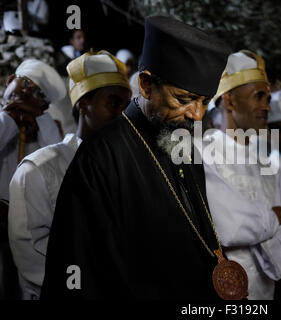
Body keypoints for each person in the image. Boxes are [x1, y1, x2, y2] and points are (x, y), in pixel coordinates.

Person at [40, 16, 232, 300]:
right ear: (145, 85)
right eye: (184, 99)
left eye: (204, 101)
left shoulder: (183, 146)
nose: (197, 115)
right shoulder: (101, 157)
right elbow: (78, 266)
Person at [8, 51, 131, 300]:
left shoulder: (131, 167)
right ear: (83, 103)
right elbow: (34, 260)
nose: (123, 116)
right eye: (113, 103)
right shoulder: (38, 170)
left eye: (127, 107)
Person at [203, 50, 281, 299]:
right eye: (259, 96)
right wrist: (272, 219)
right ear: (229, 101)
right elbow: (229, 227)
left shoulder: (264, 162)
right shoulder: (203, 153)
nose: (267, 106)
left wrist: (258, 228)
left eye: (267, 97)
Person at [0, 59, 65, 202]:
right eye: (25, 83)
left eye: (38, 94)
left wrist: (40, 119)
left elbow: (58, 164)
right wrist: (9, 118)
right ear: (10, 80)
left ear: (44, 107)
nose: (26, 93)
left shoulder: (48, 127)